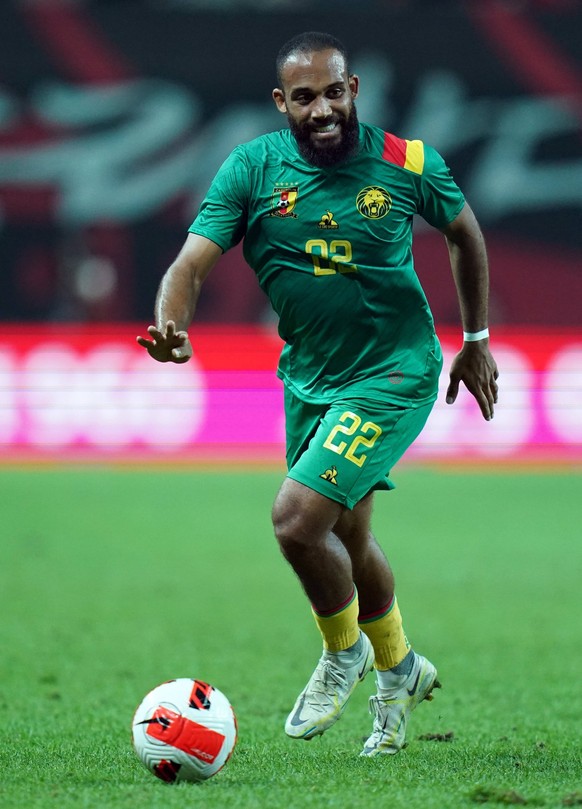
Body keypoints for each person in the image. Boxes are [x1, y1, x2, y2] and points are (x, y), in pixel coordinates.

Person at [137, 31, 499, 757]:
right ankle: (400, 670)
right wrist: (169, 322)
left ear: (354, 89)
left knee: (297, 520)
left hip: (393, 371)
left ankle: (345, 652)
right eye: (305, 97)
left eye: (335, 92)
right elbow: (190, 263)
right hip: (309, 376)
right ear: (283, 104)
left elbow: (465, 233)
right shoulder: (252, 170)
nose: (324, 108)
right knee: (349, 536)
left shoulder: (407, 162)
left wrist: (477, 339)